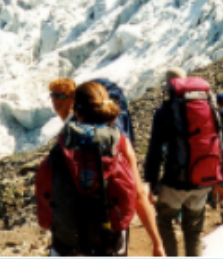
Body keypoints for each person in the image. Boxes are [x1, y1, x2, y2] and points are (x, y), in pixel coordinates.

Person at [38, 81, 165, 257]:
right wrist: (157, 243)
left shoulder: (64, 143)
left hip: (67, 246)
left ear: (76, 109)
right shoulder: (120, 143)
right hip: (109, 244)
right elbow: (139, 195)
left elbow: (44, 196)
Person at [143, 68, 217, 257]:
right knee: (194, 230)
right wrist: (221, 179)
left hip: (174, 181)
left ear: (169, 84)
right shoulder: (208, 105)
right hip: (203, 178)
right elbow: (219, 142)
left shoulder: (165, 110)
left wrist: (150, 183)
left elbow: (156, 149)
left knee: (165, 222)